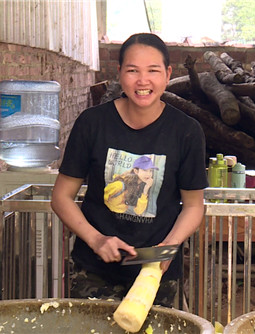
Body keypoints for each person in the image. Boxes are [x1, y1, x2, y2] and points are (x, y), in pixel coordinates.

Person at [51, 33, 208, 307]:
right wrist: (97, 240)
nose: (142, 81)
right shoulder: (92, 123)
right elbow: (61, 197)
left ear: (168, 74)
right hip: (94, 268)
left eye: (153, 71)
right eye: (133, 70)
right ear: (120, 73)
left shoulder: (186, 131)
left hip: (155, 271)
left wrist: (168, 247)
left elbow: (194, 205)